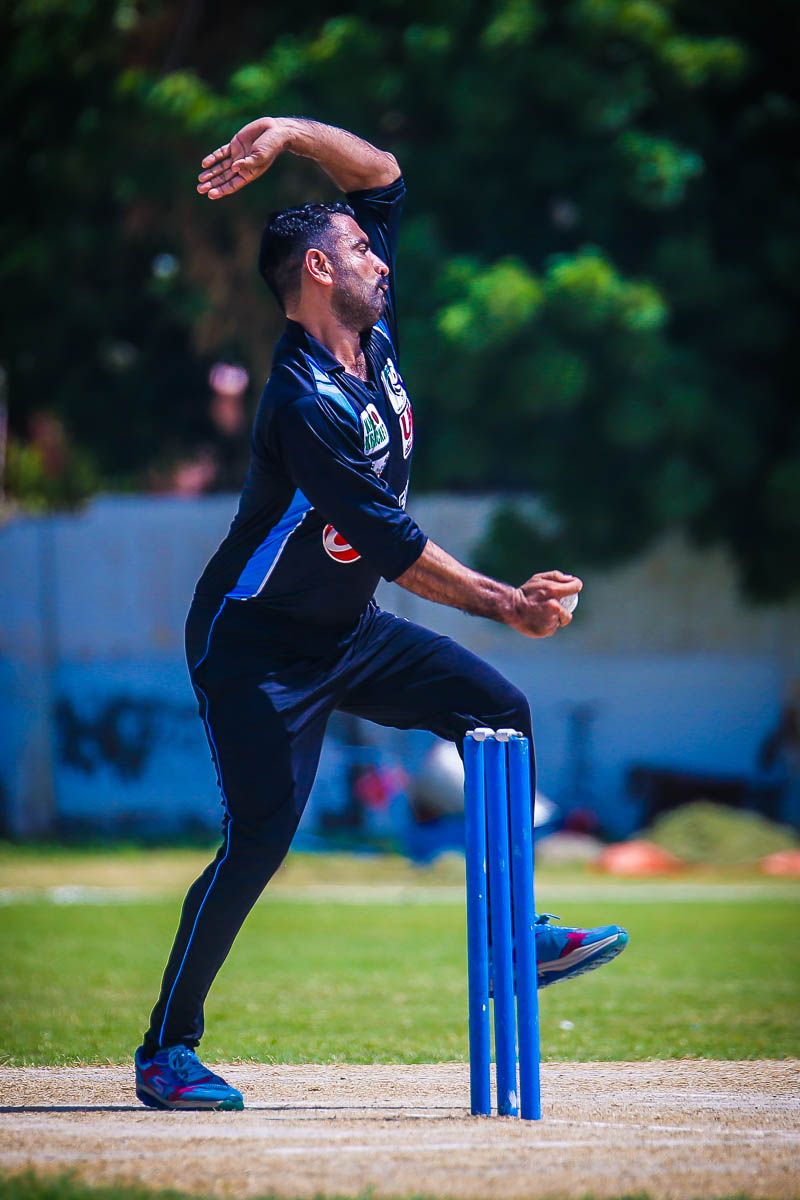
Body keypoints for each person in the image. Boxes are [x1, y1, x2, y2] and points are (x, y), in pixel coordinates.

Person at [134, 116, 628, 1111]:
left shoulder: (370, 331)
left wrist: (288, 134)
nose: (381, 259)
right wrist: (506, 602)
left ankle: (517, 938)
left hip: (347, 630)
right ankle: (166, 1051)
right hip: (255, 646)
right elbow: (394, 547)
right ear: (318, 270)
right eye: (361, 251)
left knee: (497, 713)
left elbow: (383, 176)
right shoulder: (302, 403)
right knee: (261, 840)